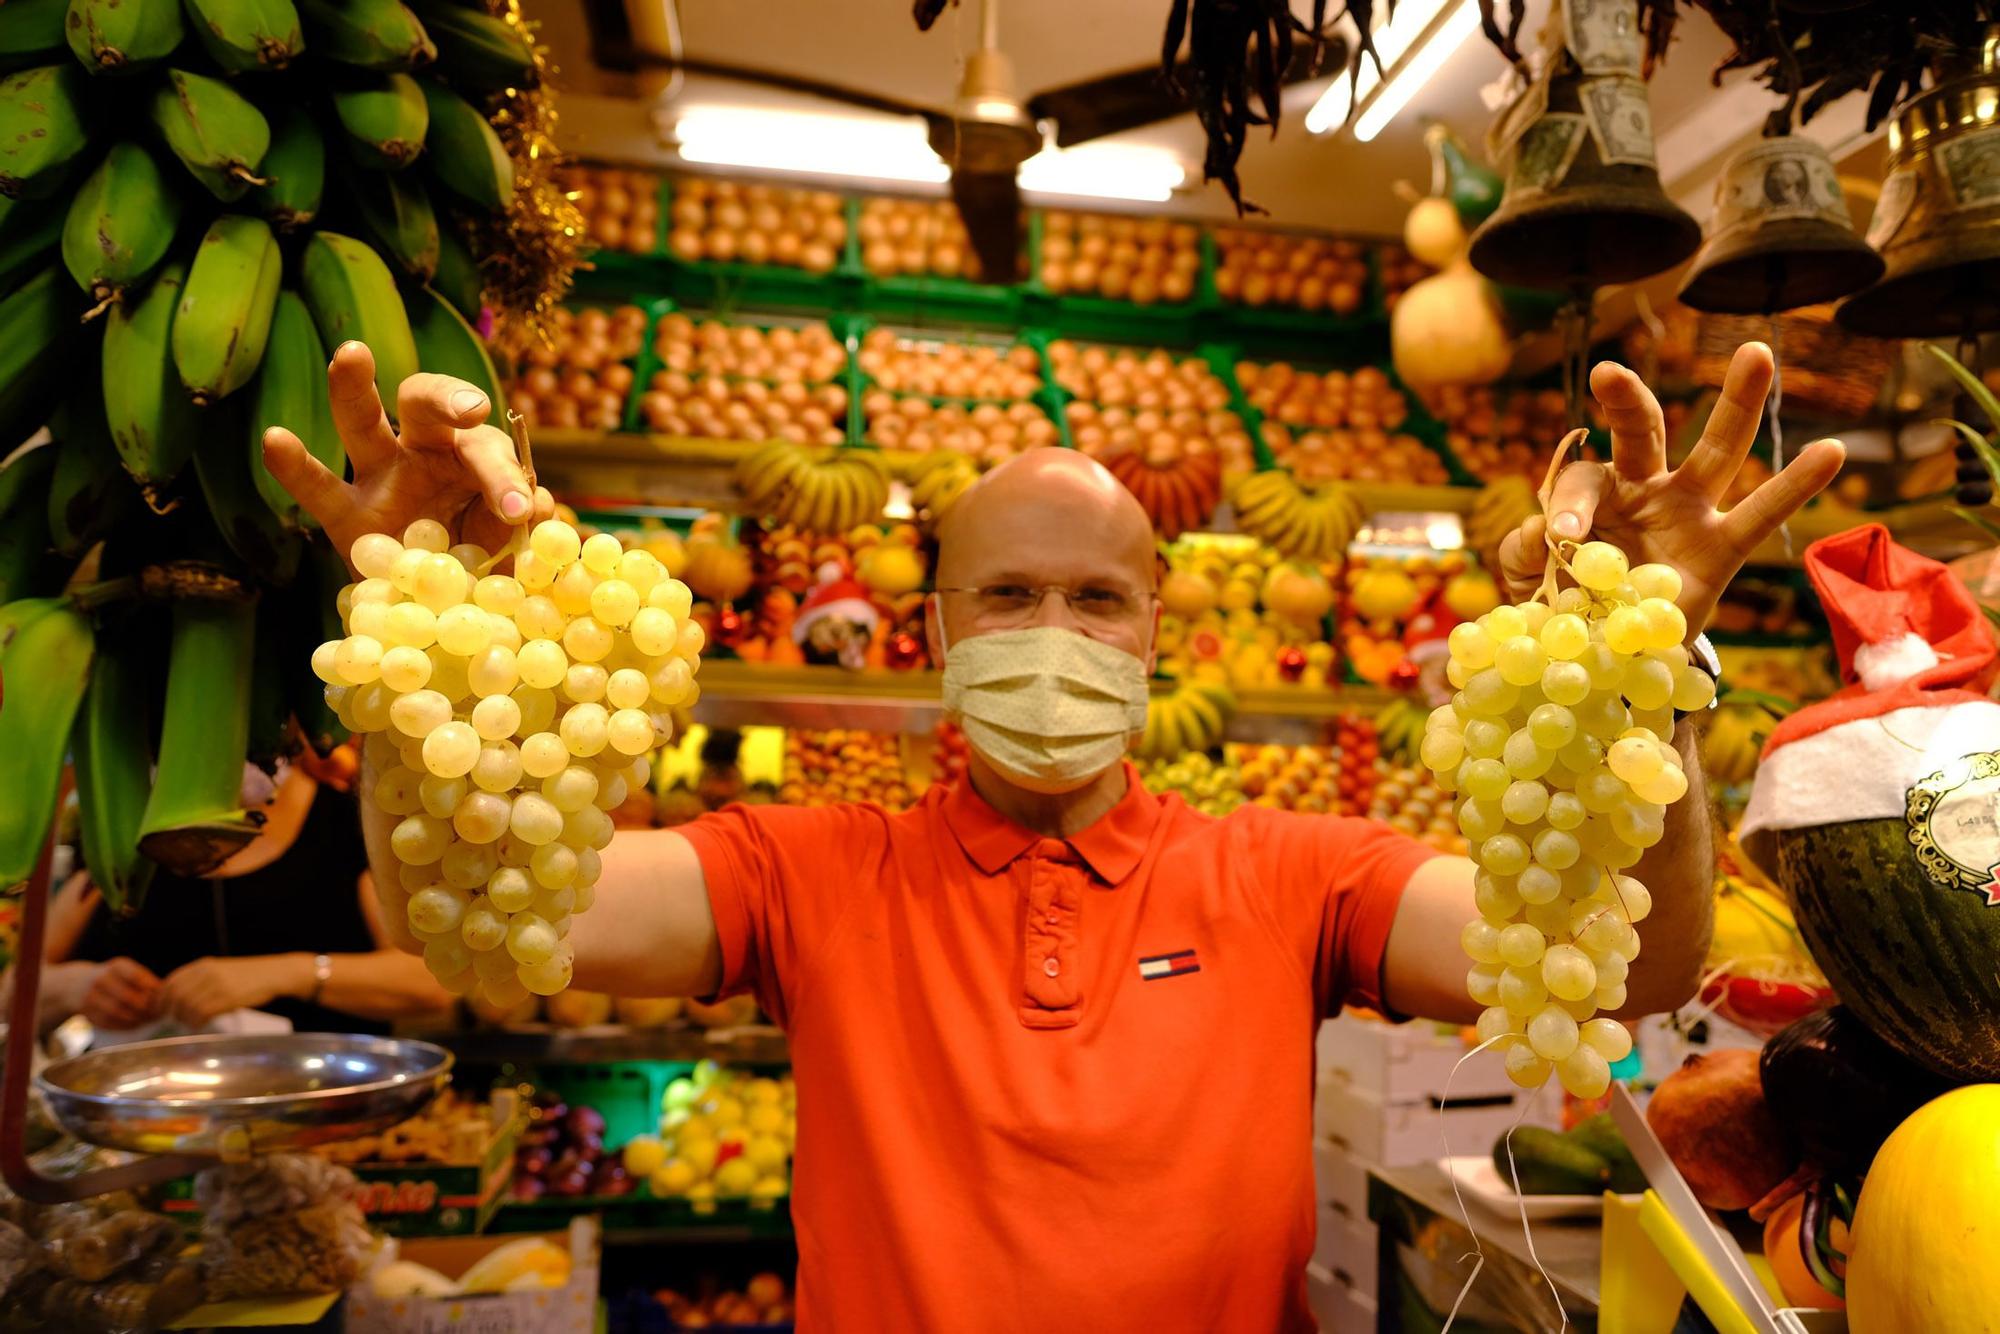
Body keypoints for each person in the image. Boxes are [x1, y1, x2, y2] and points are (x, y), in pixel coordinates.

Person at [264, 341, 1844, 1332]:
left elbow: (1627, 970)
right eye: (1009, 595)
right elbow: (466, 917)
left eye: (1093, 597)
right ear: (938, 626)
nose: (1052, 629)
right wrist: (432, 655)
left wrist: (1657, 674)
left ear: (1154, 627)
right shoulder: (802, 864)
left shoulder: (1291, 870)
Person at [36, 760, 452, 1038]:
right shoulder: (117, 837)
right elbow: (14, 992)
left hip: (324, 1118)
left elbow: (432, 982)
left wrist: (289, 973)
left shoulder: (349, 825)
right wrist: (76, 986)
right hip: (147, 1129)